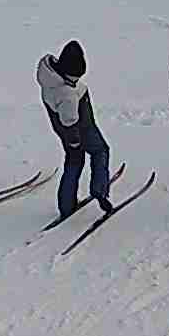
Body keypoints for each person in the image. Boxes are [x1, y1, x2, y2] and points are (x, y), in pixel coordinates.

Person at [38, 40, 114, 219]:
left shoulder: (50, 77)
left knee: (74, 161)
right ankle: (100, 191)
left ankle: (66, 205)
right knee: (100, 151)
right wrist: (74, 140)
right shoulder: (67, 95)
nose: (77, 80)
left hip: (65, 131)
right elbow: (70, 120)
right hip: (81, 130)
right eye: (75, 77)